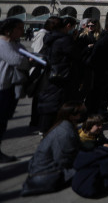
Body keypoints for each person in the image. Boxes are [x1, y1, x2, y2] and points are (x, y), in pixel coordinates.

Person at [21, 102, 87, 196]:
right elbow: (63, 160)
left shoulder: (65, 126)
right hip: (46, 175)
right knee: (90, 168)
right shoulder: (64, 132)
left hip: (43, 172)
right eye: (79, 113)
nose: (81, 115)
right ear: (71, 116)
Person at [37, 16, 81, 134]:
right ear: (66, 26)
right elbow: (76, 55)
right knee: (59, 103)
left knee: (50, 101)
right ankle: (54, 129)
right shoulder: (65, 40)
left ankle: (44, 128)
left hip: (51, 73)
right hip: (63, 75)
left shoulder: (49, 37)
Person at [0, 17, 31, 162]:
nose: (22, 31)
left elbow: (26, 55)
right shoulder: (2, 43)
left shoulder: (14, 43)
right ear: (8, 30)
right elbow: (17, 60)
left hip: (9, 86)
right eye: (19, 28)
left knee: (3, 120)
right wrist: (28, 61)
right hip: (1, 87)